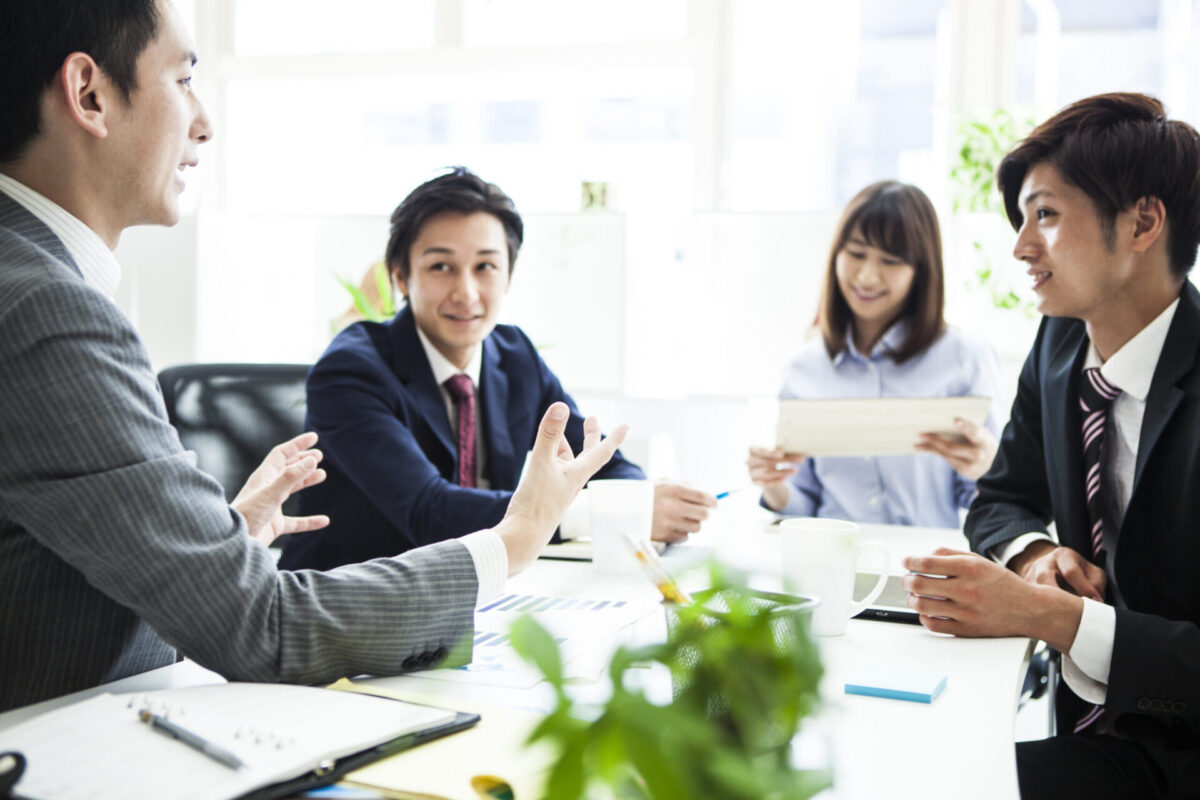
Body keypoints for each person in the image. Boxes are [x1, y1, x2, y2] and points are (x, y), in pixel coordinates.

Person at [0, 0, 625, 712]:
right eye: (181, 81)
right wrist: (516, 539)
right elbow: (265, 626)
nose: (203, 122)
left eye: (487, 267)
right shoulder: (45, 309)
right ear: (89, 94)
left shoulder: (31, 283)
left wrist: (213, 545)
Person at [900, 93, 1200, 798]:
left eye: (1047, 214)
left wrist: (1054, 618)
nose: (1020, 246)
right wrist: (1036, 558)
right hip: (1081, 733)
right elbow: (1003, 496)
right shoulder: (1061, 341)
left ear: (1142, 223)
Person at [279, 168, 717, 571]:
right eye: (441, 267)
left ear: (508, 276)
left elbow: (604, 467)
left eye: (485, 267)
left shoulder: (514, 355)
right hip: (346, 610)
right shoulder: (351, 371)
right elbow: (429, 512)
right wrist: (597, 513)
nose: (466, 293)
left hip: (482, 602)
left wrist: (641, 501)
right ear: (400, 277)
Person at [746, 181, 1002, 529]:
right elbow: (804, 505)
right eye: (855, 253)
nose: (867, 276)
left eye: (891, 260)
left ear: (921, 270)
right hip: (831, 569)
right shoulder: (803, 369)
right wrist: (773, 485)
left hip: (928, 570)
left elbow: (987, 502)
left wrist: (988, 470)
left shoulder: (965, 358)